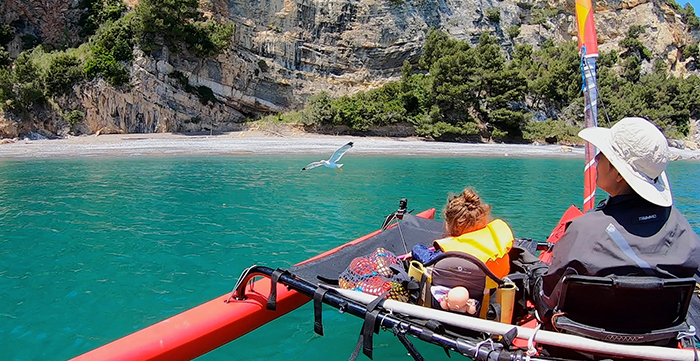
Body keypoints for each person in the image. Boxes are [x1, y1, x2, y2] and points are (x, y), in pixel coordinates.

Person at [533, 117, 700, 321]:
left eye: (601, 155)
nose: (596, 160)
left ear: (619, 174)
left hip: (585, 345)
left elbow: (549, 295)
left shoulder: (585, 230)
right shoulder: (680, 227)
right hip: (658, 341)